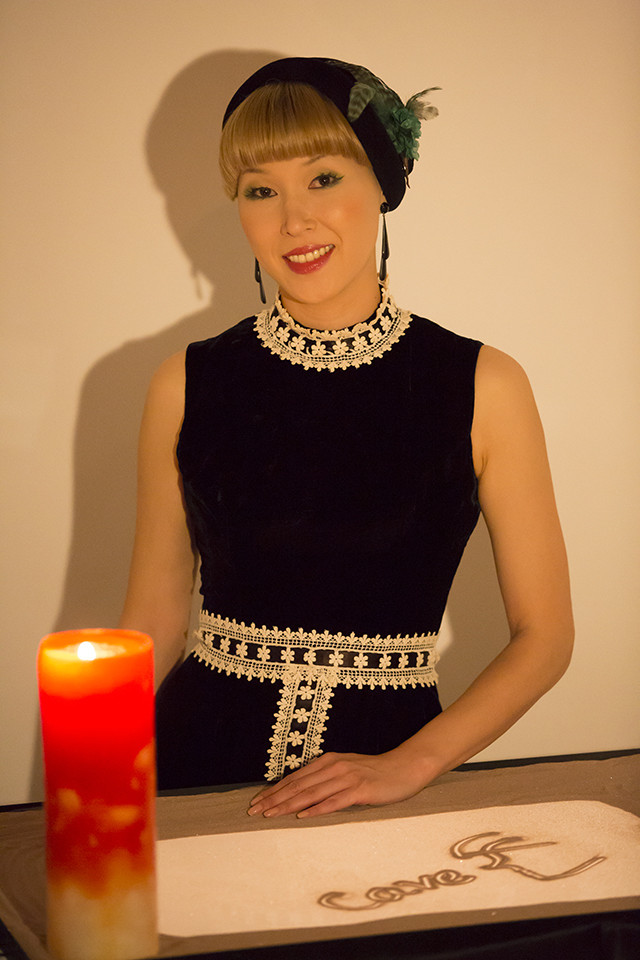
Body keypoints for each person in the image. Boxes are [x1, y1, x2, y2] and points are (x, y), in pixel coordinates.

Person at [119, 57, 574, 818]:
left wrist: (408, 765)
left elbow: (545, 637)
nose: (293, 220)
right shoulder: (184, 383)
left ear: (383, 186)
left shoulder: (483, 385)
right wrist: (93, 784)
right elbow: (152, 623)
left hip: (388, 775)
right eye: (261, 190)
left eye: (323, 179)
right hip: (195, 775)